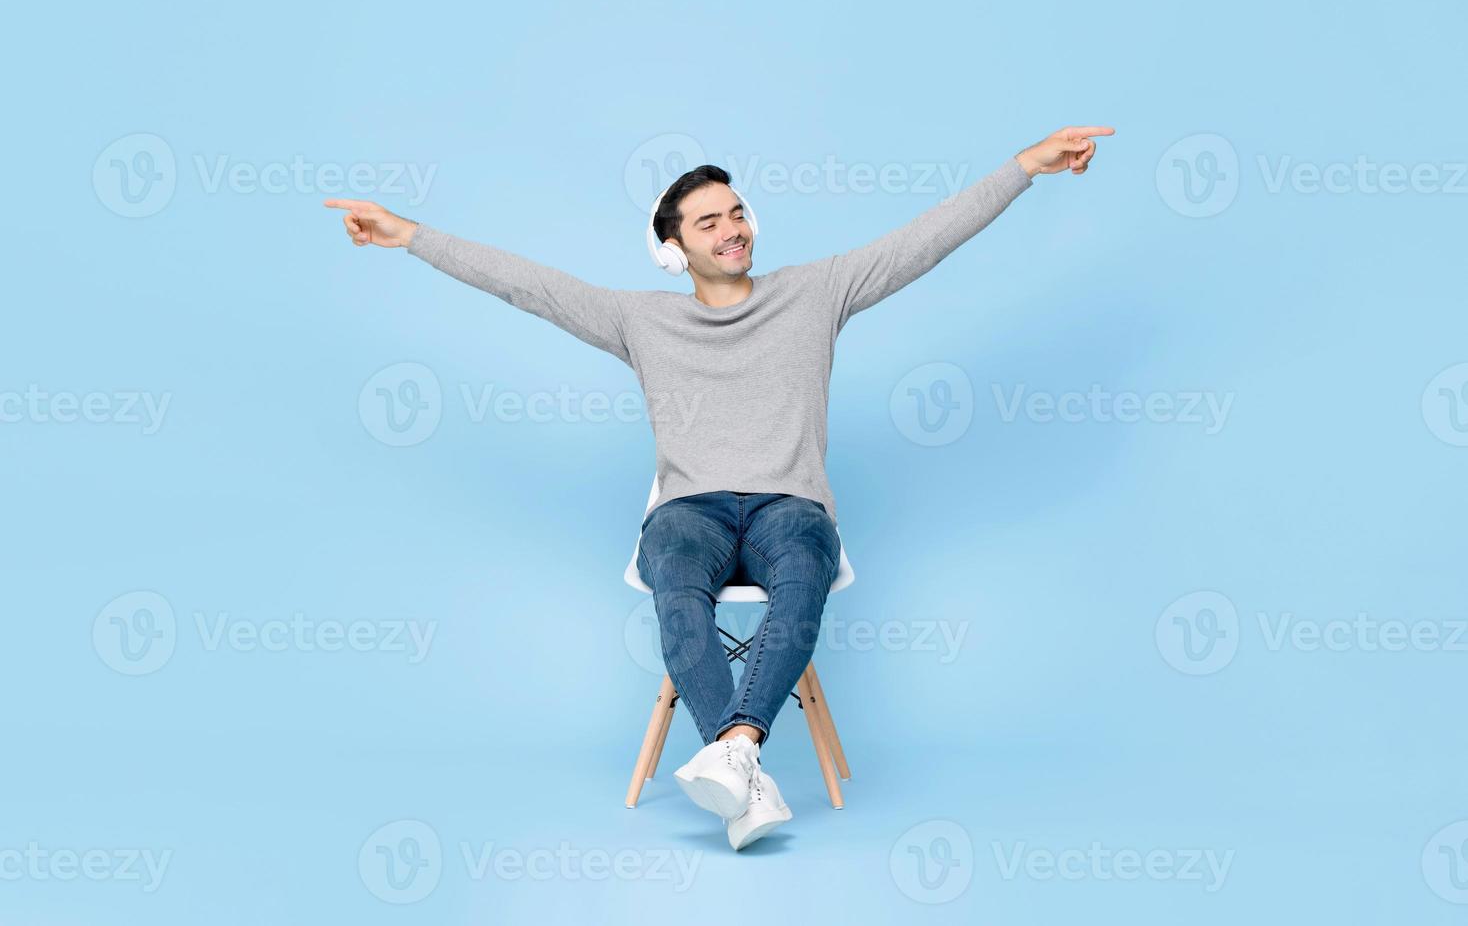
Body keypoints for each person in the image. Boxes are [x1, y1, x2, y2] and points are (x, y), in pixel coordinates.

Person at [325, 125, 1113, 850]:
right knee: (675, 585)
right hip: (689, 510)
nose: (731, 228)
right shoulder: (639, 319)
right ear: (672, 250)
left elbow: (925, 241)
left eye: (736, 212)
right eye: (708, 222)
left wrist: (1026, 169)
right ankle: (747, 769)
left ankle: (734, 759)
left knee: (805, 574)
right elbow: (524, 284)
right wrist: (407, 236)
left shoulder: (818, 290)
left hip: (790, 505)